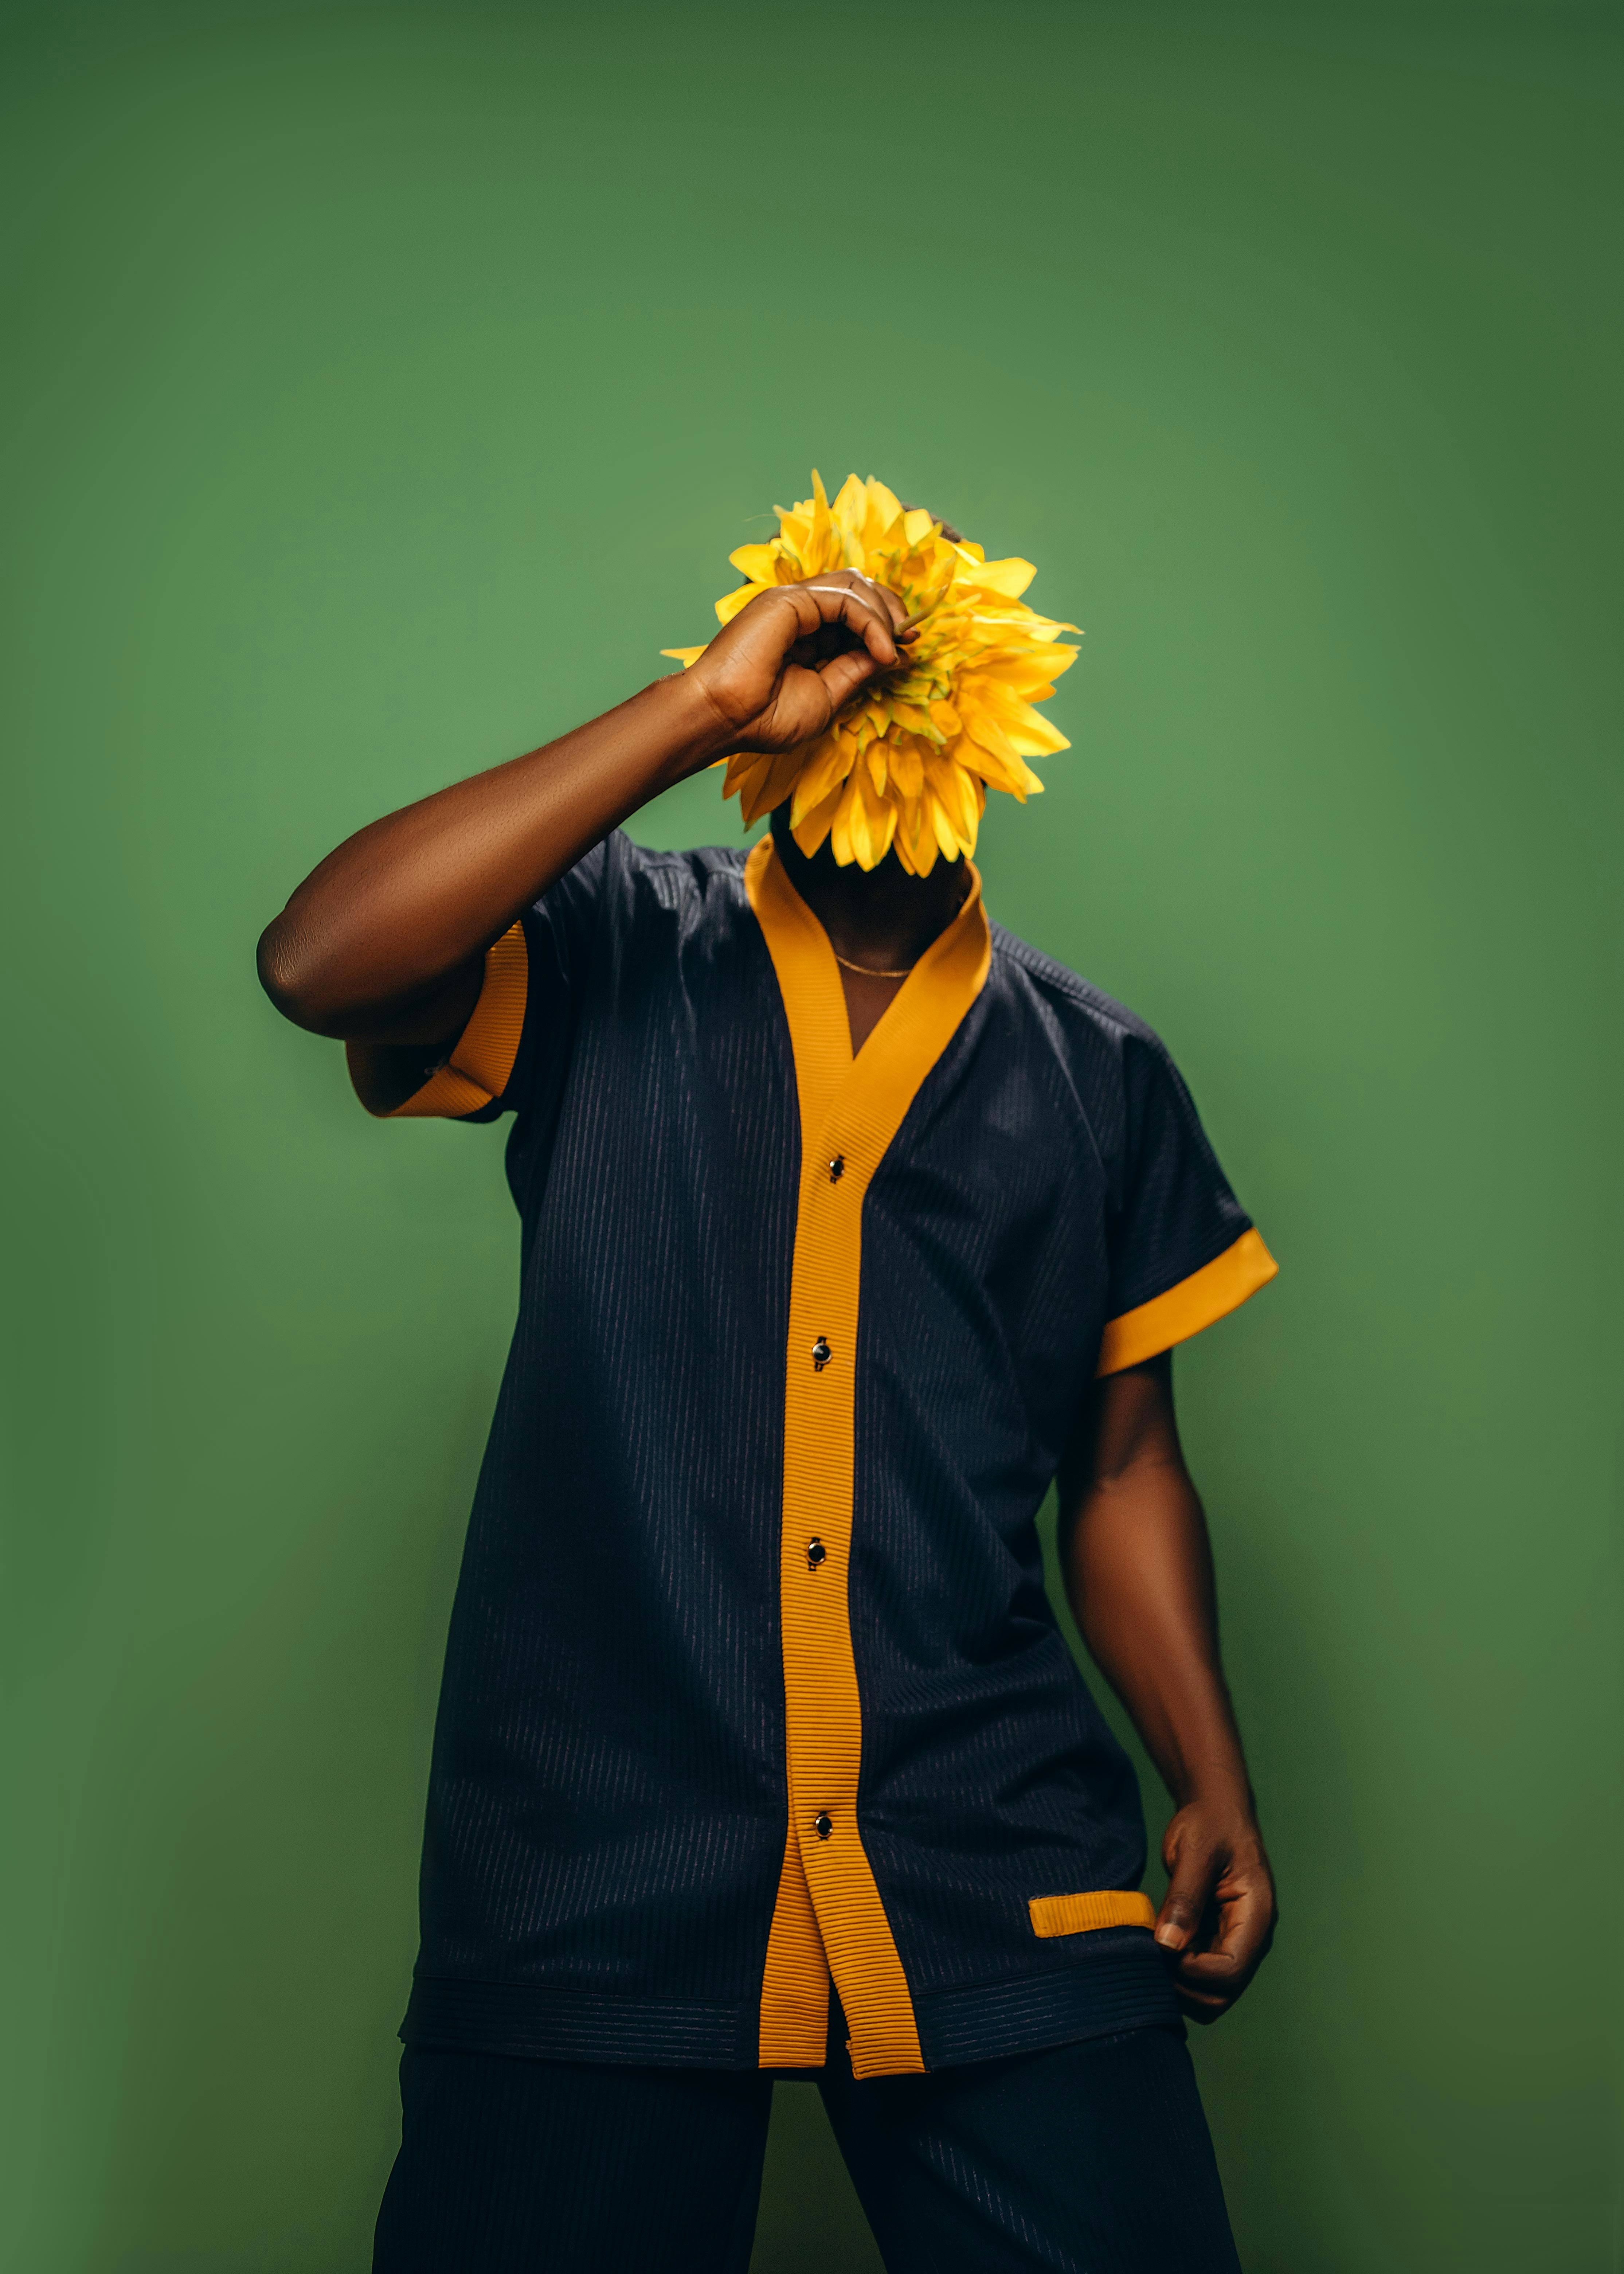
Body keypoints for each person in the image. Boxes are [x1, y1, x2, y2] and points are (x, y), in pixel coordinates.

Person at [258, 531, 1279, 2273]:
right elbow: (320, 964)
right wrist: (697, 711)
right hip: (589, 1867)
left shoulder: (1102, 1074)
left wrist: (1209, 1772)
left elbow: (1123, 1467)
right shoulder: (592, 941)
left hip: (999, 1872)